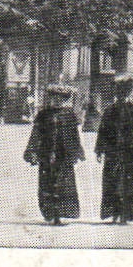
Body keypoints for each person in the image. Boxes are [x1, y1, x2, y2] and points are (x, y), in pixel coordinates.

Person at [23, 85, 84, 225]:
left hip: (64, 156)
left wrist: (77, 151)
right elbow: (36, 134)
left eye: (61, 99)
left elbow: (75, 136)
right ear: (50, 99)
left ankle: (60, 214)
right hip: (46, 154)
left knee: (63, 185)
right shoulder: (43, 115)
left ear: (65, 100)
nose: (57, 101)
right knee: (48, 183)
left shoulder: (69, 116)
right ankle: (51, 213)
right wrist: (32, 151)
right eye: (54, 98)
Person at [94, 76, 133, 224]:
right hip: (117, 153)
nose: (122, 96)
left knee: (124, 184)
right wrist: (99, 150)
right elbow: (103, 131)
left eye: (124, 93)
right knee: (117, 183)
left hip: (126, 153)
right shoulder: (112, 111)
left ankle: (122, 214)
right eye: (121, 94)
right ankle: (117, 214)